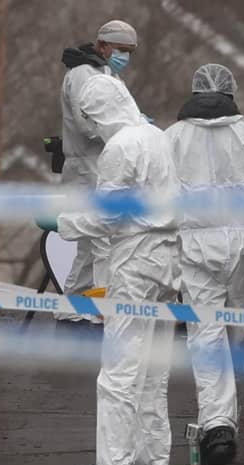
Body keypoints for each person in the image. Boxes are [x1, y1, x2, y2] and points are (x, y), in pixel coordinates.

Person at [165, 63, 244, 465]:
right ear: (231, 92)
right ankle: (222, 421)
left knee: (206, 335)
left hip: (196, 248)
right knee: (238, 329)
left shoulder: (171, 138)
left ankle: (218, 421)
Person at [56, 74, 180, 465]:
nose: (89, 128)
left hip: (136, 258)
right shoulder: (157, 136)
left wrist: (63, 223)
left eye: (88, 119)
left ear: (94, 114)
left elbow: (107, 217)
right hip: (168, 258)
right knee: (154, 370)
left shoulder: (120, 148)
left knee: (119, 371)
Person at [58, 20, 138, 316]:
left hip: (102, 164)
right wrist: (124, 130)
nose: (124, 57)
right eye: (121, 50)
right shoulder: (82, 73)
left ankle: (70, 311)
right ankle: (101, 313)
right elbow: (86, 122)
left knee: (92, 248)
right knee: (102, 241)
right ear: (102, 45)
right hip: (86, 166)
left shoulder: (107, 73)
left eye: (129, 51)